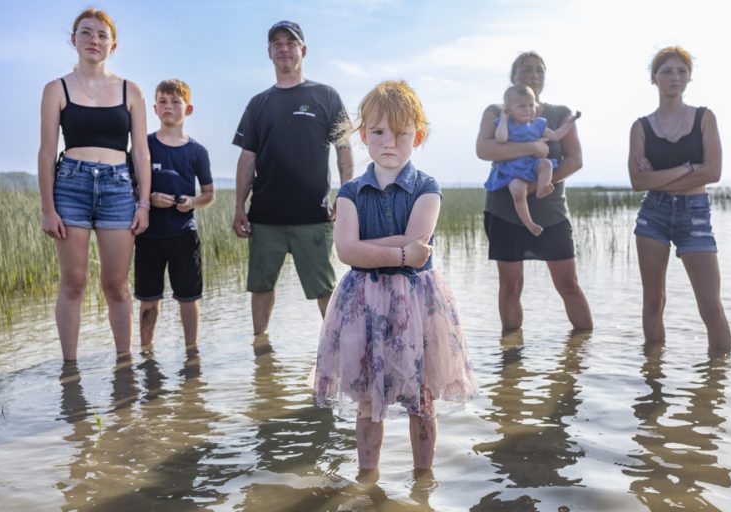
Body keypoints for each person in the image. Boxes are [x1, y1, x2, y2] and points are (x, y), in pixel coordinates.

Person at [312, 80, 478, 474]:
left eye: (401, 133)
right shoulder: (350, 192)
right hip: (364, 301)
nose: (389, 142)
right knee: (369, 400)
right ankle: (367, 480)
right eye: (379, 132)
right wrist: (401, 253)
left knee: (422, 398)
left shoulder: (427, 187)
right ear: (364, 135)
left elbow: (412, 236)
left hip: (418, 303)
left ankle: (424, 482)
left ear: (416, 137)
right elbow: (347, 251)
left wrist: (367, 246)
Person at [38, 9, 150, 361]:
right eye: (85, 34)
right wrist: (47, 208)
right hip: (70, 185)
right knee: (74, 282)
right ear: (74, 40)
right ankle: (69, 368)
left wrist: (143, 203)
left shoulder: (130, 90)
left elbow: (142, 153)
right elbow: (45, 152)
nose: (93, 41)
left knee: (115, 284)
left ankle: (124, 363)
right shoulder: (56, 88)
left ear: (112, 44)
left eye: (101, 35)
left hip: (119, 188)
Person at [232, 20, 353, 337]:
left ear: (303, 50)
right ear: (269, 52)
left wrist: (345, 195)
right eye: (277, 43)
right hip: (265, 217)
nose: (284, 48)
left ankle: (335, 349)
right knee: (261, 287)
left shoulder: (325, 96)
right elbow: (247, 158)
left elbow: (344, 149)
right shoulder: (258, 103)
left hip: (313, 216)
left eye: (290, 42)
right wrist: (238, 208)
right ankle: (261, 351)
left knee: (324, 290)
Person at [476, 51, 592, 333]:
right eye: (526, 70)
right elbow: (484, 149)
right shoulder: (496, 111)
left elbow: (574, 160)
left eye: (539, 70)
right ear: (513, 77)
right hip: (504, 208)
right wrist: (529, 148)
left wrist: (533, 186)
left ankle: (582, 354)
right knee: (511, 285)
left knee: (569, 284)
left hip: (550, 208)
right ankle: (511, 363)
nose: (534, 75)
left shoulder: (557, 113)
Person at [628, 46, 731, 353]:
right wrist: (687, 167)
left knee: (711, 306)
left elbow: (713, 172)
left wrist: (659, 178)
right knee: (653, 302)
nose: (675, 77)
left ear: (689, 78)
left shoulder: (704, 117)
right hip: (653, 215)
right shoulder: (641, 126)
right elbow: (638, 182)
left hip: (695, 214)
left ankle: (716, 387)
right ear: (653, 78)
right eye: (667, 71)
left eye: (682, 71)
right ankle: (653, 379)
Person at [135, 79, 215, 353]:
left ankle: (191, 352)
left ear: (188, 109)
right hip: (148, 235)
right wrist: (149, 199)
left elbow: (209, 194)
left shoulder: (197, 152)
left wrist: (192, 201)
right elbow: (130, 186)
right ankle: (146, 351)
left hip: (184, 234)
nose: (169, 107)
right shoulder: (143, 145)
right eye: (163, 102)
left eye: (175, 102)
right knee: (148, 299)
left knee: (188, 298)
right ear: (155, 108)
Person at [487, 84, 581, 236]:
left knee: (546, 163)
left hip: (532, 164)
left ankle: (542, 188)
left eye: (531, 105)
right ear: (508, 110)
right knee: (518, 191)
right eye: (521, 106)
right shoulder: (506, 125)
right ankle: (529, 223)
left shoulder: (538, 125)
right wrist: (503, 119)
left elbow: (557, 135)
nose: (527, 109)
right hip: (512, 169)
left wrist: (570, 121)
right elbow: (501, 138)